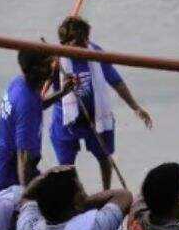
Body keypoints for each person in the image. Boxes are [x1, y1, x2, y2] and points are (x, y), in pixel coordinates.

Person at [52, 16, 154, 190]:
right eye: (79, 41)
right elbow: (42, 92)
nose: (85, 44)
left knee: (104, 157)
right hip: (67, 119)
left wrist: (135, 107)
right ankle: (76, 193)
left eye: (86, 39)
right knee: (66, 166)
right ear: (66, 43)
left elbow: (116, 81)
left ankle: (106, 191)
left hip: (97, 116)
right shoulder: (55, 62)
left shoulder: (95, 53)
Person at [0, 49, 69, 193]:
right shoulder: (27, 104)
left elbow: (39, 103)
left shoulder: (19, 82)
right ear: (37, 69)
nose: (53, 66)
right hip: (11, 176)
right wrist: (25, 197)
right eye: (49, 64)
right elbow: (23, 158)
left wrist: (63, 92)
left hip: (2, 164)